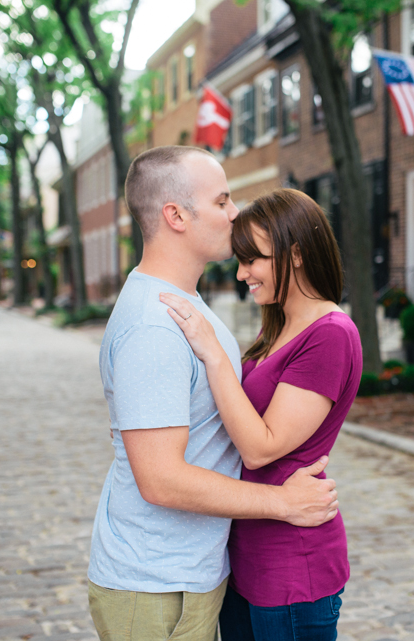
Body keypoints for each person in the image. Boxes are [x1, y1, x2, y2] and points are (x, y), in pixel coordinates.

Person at [88, 148, 340, 641]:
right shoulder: (154, 327)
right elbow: (160, 480)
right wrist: (281, 503)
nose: (236, 213)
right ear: (176, 215)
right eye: (223, 201)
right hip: (157, 586)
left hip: (189, 577)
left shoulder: (183, 303)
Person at [160, 188, 363, 641]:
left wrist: (212, 353)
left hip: (291, 564)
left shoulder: (330, 333)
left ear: (294, 254)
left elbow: (259, 448)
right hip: (245, 557)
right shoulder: (279, 325)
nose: (242, 272)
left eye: (253, 259)